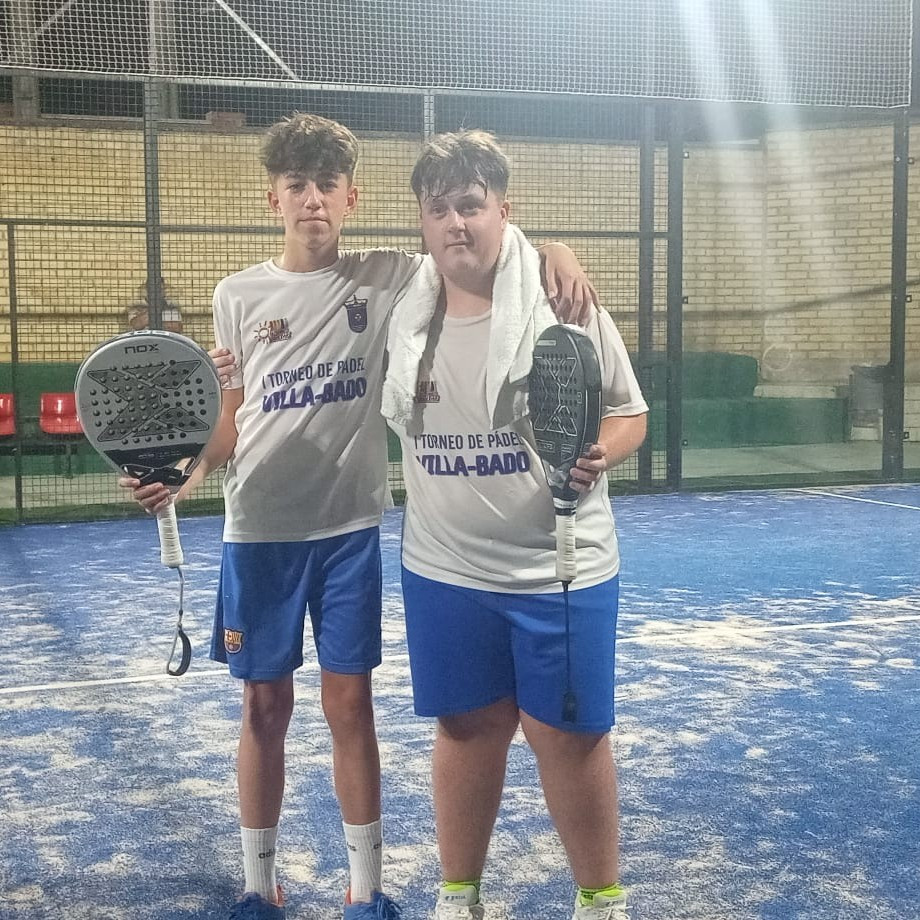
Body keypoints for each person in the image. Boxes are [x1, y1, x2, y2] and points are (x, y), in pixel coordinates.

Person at [120, 113, 597, 920]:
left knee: (350, 708)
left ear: (351, 198)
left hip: (347, 535)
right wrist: (186, 474)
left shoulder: (389, 276)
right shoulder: (235, 295)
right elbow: (230, 423)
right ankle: (258, 885)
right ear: (273, 199)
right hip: (258, 534)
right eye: (296, 186)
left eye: (327, 186)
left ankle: (366, 890)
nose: (312, 199)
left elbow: (477, 242)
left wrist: (556, 249)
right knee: (262, 709)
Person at [381, 130, 648, 920]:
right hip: (445, 571)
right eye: (439, 209)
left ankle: (600, 900)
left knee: (568, 736)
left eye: (471, 205)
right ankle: (458, 897)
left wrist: (600, 453)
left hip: (557, 568)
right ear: (422, 221)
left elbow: (630, 415)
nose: (456, 223)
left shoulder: (562, 303)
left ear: (504, 210)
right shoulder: (402, 307)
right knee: (467, 730)